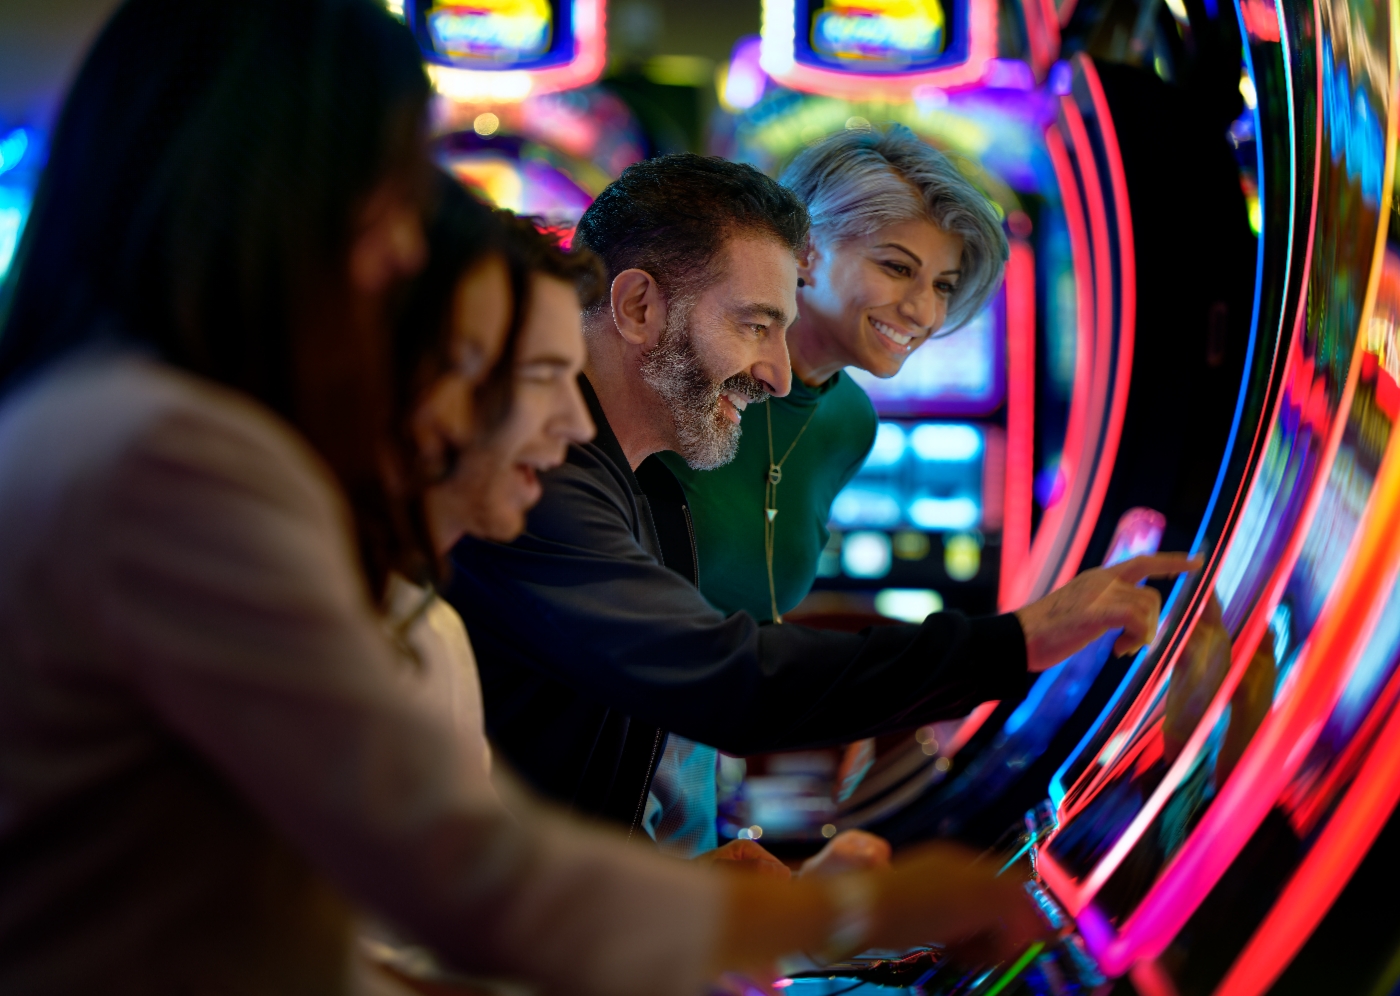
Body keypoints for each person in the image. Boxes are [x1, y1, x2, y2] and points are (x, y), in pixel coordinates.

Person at [0, 5, 1048, 987]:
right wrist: (832, 918)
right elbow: (454, 881)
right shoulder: (169, 456)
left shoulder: (116, 421)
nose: (411, 243)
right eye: (391, 187)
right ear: (269, 199)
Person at [445, 153, 1197, 847]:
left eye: (943, 285)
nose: (775, 375)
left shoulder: (784, 426)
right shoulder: (542, 467)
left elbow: (693, 681)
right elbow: (718, 676)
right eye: (757, 323)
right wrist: (1015, 642)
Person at [646, 125, 1010, 857]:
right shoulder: (687, 379)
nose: (925, 311)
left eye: (941, 285)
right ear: (804, 252)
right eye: (897, 267)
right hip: (598, 733)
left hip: (698, 755)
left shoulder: (849, 421)